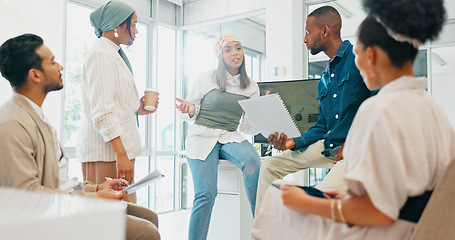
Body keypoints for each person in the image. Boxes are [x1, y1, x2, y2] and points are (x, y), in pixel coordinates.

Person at [252, 0, 451, 239]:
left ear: (371, 55)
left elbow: (378, 213)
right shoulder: (434, 110)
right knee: (277, 177)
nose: (356, 61)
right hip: (423, 226)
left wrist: (305, 202)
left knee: (295, 209)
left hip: (390, 229)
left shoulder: (378, 109)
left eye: (358, 54)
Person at [0, 34, 160, 240]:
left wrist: (97, 188)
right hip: (48, 217)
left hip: (66, 202)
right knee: (146, 233)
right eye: (52, 61)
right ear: (35, 75)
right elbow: (29, 197)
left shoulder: (38, 117)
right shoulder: (13, 124)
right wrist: (93, 197)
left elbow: (60, 180)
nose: (60, 67)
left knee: (148, 216)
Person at [255, 6, 373, 214]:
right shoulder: (325, 79)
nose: (304, 39)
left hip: (357, 151)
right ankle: (266, 231)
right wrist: (294, 142)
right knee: (268, 166)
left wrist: (355, 141)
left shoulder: (359, 58)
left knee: (312, 203)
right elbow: (321, 127)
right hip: (331, 144)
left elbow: (380, 104)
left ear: (325, 31)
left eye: (308, 32)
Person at [175, 34, 261, 240]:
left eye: (238, 48)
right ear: (220, 56)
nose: (235, 53)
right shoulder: (206, 78)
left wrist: (260, 113)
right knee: (206, 194)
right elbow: (187, 111)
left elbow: (248, 128)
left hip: (230, 136)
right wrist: (189, 109)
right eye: (228, 49)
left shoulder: (251, 86)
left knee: (252, 162)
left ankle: (261, 226)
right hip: (202, 137)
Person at [77, 1, 157, 203]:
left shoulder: (112, 54)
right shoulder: (101, 55)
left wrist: (136, 109)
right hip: (107, 153)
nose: (136, 31)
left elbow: (113, 104)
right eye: (133, 25)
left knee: (126, 219)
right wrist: (121, 155)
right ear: (116, 25)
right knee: (110, 221)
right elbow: (102, 111)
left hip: (116, 151)